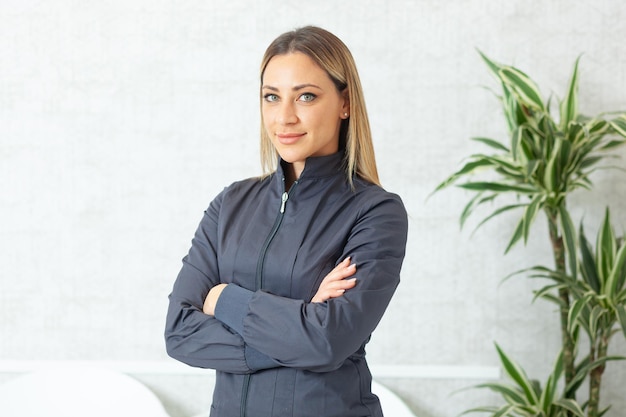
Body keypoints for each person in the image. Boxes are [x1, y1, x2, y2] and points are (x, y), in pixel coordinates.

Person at [165, 25, 408, 417]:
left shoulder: (375, 212)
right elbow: (179, 333)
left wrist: (222, 298)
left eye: (306, 96)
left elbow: (329, 340)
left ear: (344, 102)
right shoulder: (230, 204)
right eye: (272, 97)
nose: (285, 117)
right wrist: (301, 320)